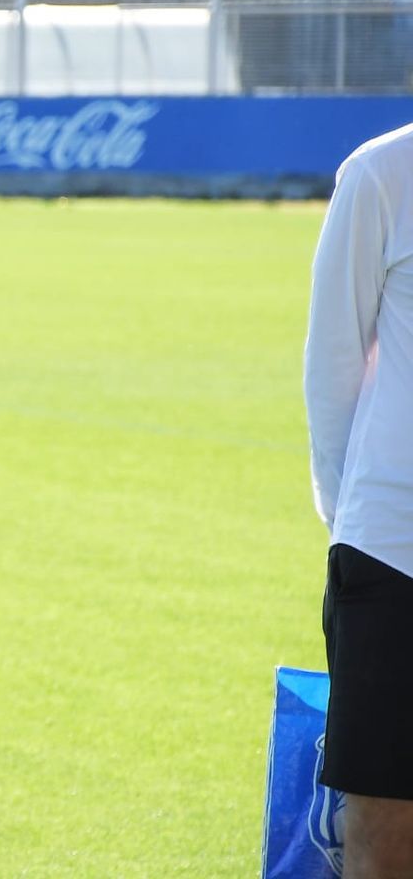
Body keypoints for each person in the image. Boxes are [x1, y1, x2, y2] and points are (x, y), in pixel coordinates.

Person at [304, 120, 413, 879]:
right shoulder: (383, 172)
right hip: (394, 550)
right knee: (380, 824)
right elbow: (334, 361)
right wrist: (355, 518)